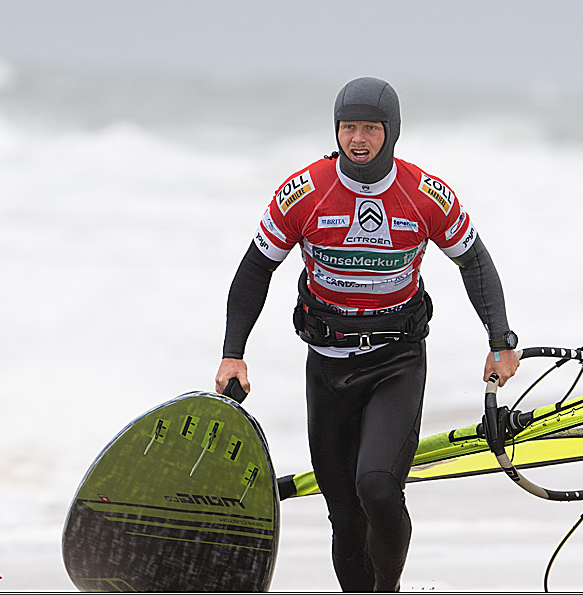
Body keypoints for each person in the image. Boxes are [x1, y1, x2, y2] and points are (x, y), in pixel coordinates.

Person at [214, 77, 520, 592]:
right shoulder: (303, 193)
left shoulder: (425, 195)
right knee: (345, 515)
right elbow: (253, 271)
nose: (357, 139)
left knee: (377, 488)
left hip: (395, 364)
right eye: (348, 127)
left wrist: (500, 339)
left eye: (370, 128)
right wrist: (233, 354)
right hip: (327, 367)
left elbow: (475, 262)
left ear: (391, 132)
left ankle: (388, 590)